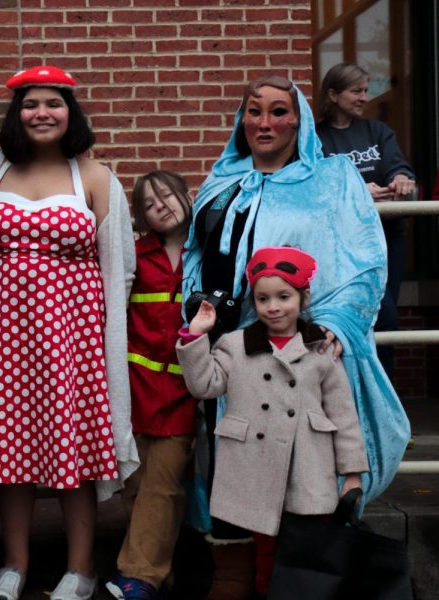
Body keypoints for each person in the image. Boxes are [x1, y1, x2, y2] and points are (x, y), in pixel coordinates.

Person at [182, 74, 410, 598]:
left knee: (299, 475)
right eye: (254, 111)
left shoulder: (332, 179)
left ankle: (290, 583)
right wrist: (194, 307)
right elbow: (196, 254)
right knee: (233, 471)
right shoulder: (222, 179)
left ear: (300, 119)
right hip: (231, 354)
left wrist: (332, 323)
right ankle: (237, 578)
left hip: (298, 354)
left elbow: (365, 262)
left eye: (279, 111)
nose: (265, 122)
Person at [0, 65, 139, 600]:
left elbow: (121, 267)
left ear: (71, 113)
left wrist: (103, 339)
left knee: (73, 451)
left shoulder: (96, 176)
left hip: (72, 339)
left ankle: (80, 569)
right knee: (11, 454)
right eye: (30, 104)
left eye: (53, 103)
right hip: (2, 336)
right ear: (15, 114)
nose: (42, 113)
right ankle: (14, 563)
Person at [177, 246, 368, 598]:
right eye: (263, 299)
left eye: (284, 296)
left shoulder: (320, 349)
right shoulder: (235, 346)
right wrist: (196, 335)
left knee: (309, 558)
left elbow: (344, 416)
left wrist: (352, 474)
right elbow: (204, 386)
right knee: (265, 556)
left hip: (308, 469)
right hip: (255, 470)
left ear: (302, 297)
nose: (274, 306)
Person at [105, 171, 196, 600]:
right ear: (140, 217)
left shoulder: (208, 253)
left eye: (167, 194)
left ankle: (138, 576)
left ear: (186, 195)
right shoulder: (135, 256)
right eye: (149, 203)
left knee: (163, 483)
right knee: (138, 485)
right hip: (135, 391)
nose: (161, 205)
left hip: (184, 394)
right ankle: (162, 572)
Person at [316, 62, 417, 381]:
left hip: (387, 237)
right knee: (358, 315)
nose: (364, 97)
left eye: (366, 90)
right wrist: (357, 190)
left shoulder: (378, 132)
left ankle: (384, 397)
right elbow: (313, 185)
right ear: (333, 94)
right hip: (343, 241)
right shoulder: (315, 138)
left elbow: (397, 168)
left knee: (386, 317)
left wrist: (401, 178)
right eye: (356, 91)